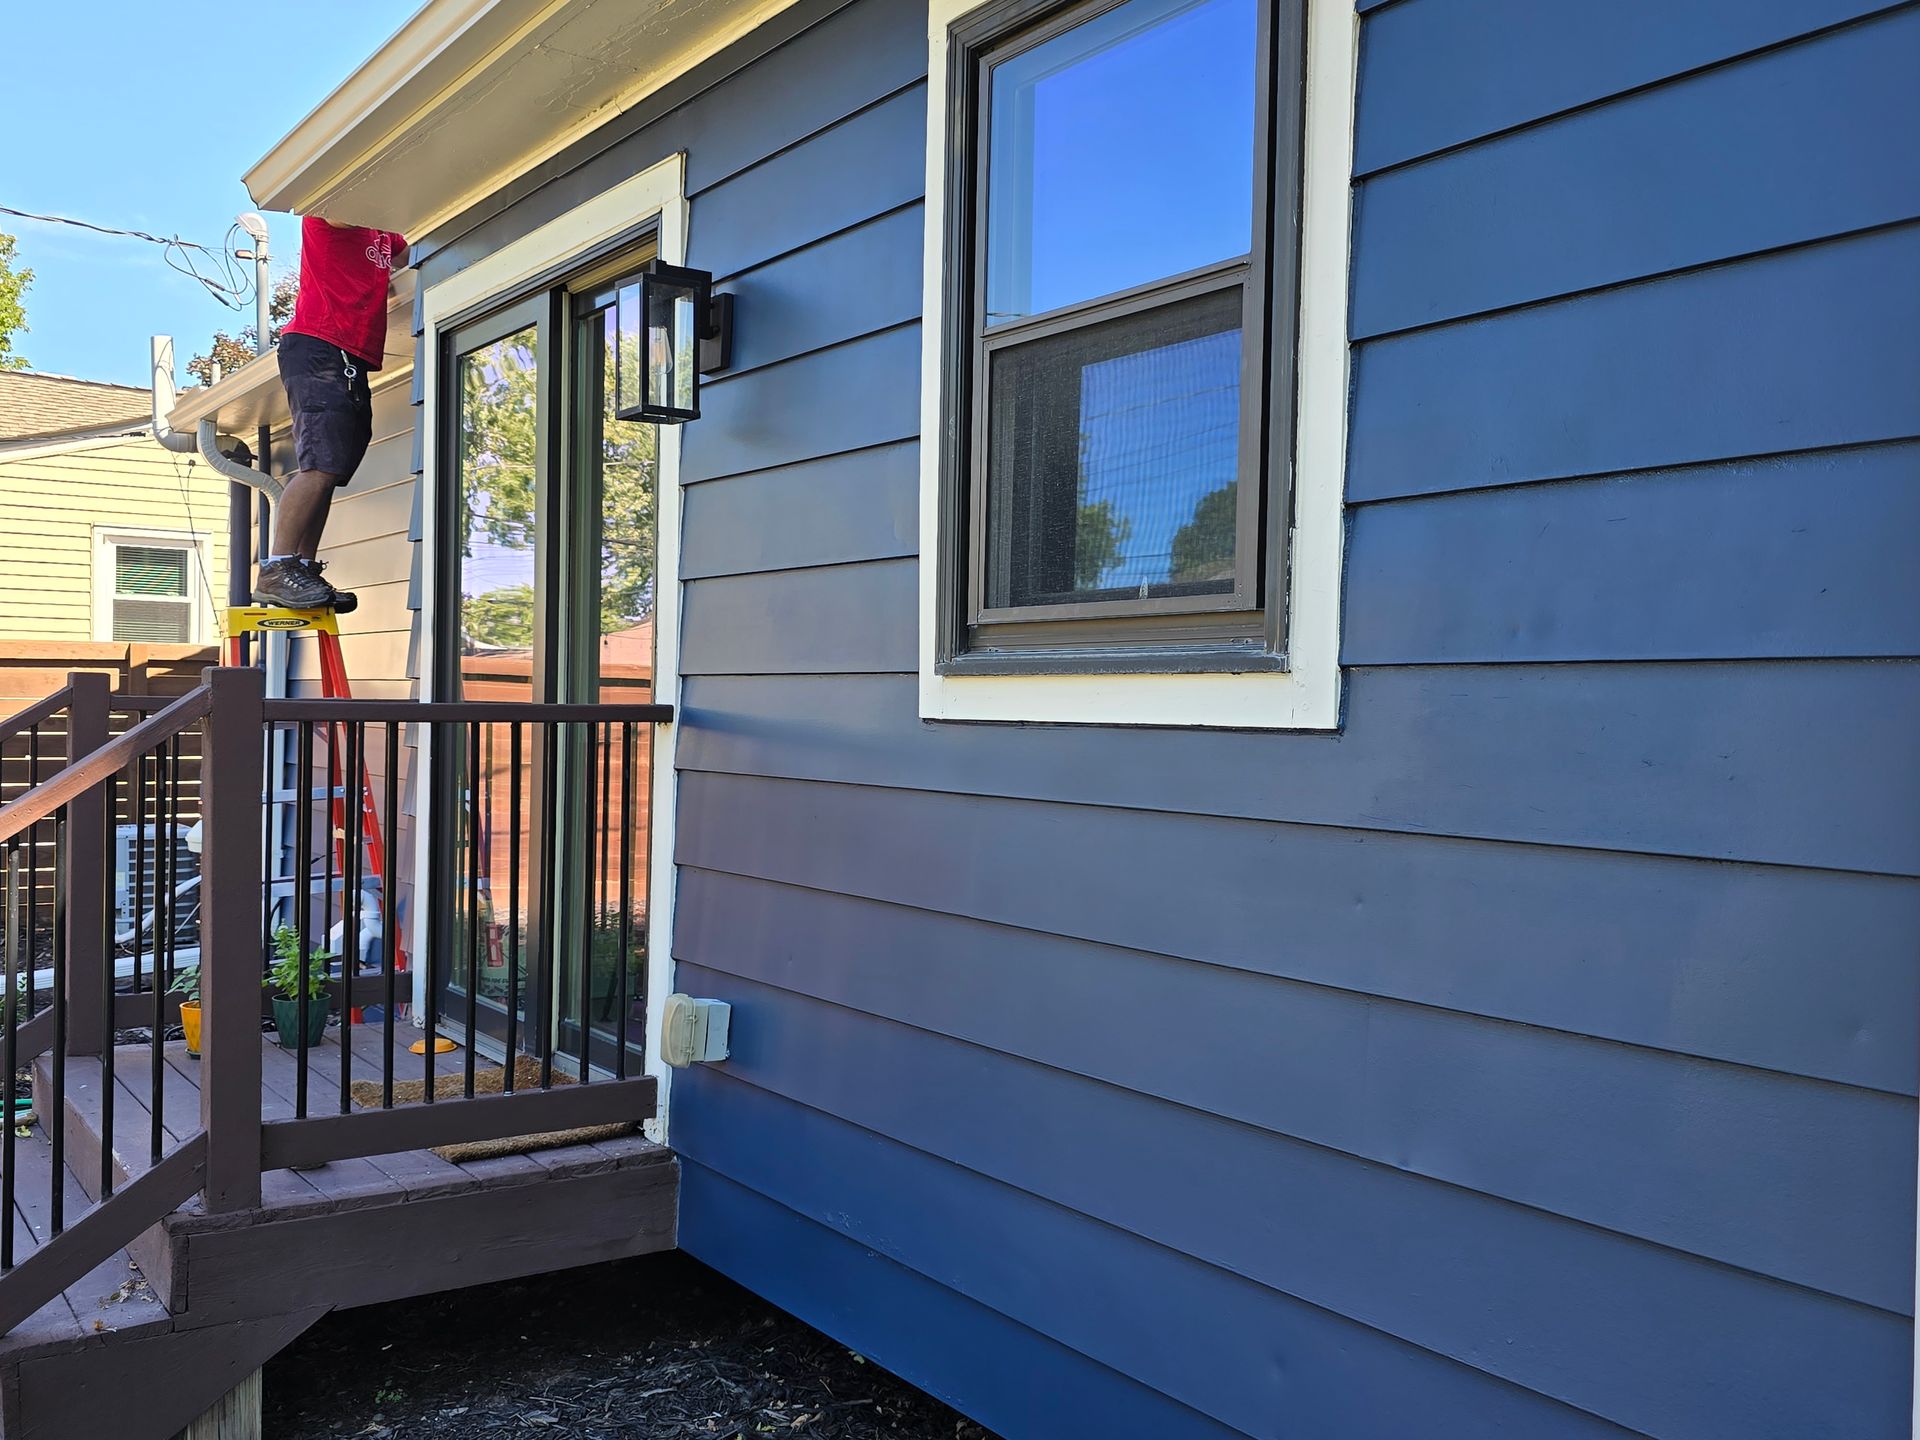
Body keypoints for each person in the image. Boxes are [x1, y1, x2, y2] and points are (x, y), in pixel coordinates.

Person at [253, 216, 408, 611]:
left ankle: (302, 568)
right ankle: (277, 568)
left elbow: (409, 249)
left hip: (348, 358)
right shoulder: (329, 215)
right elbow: (341, 203)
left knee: (332, 470)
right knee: (320, 464)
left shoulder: (382, 234)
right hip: (319, 346)